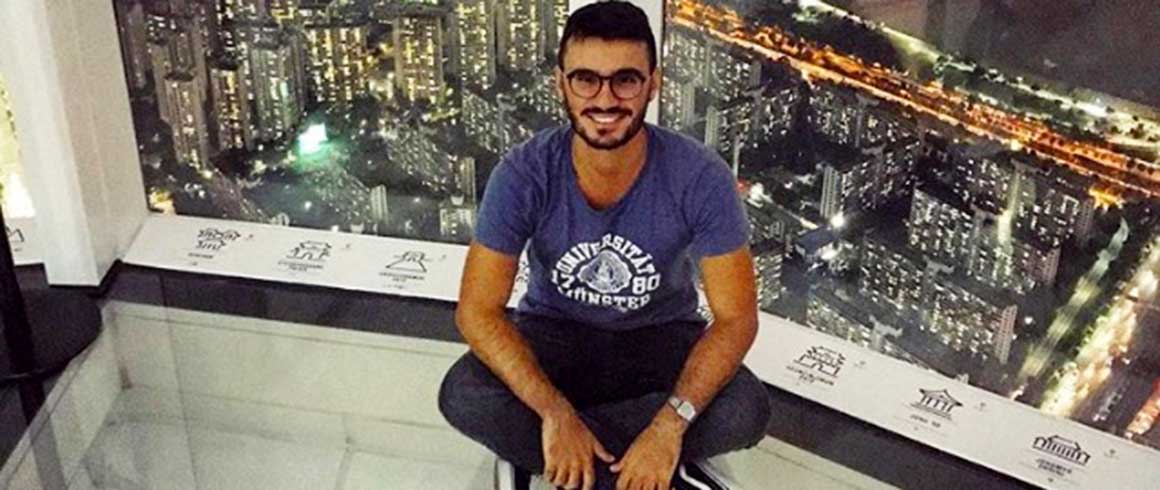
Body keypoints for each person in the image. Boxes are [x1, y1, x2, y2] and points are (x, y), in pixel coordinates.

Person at [438, 2, 772, 489]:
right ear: (561, 84)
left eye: (626, 80)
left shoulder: (700, 176)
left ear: (653, 84)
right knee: (463, 394)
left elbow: (737, 319)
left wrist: (669, 425)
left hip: (659, 338)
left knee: (746, 408)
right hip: (554, 334)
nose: (605, 99)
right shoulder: (525, 172)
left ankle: (561, 463)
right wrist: (553, 411)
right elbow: (477, 311)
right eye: (586, 80)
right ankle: (637, 470)